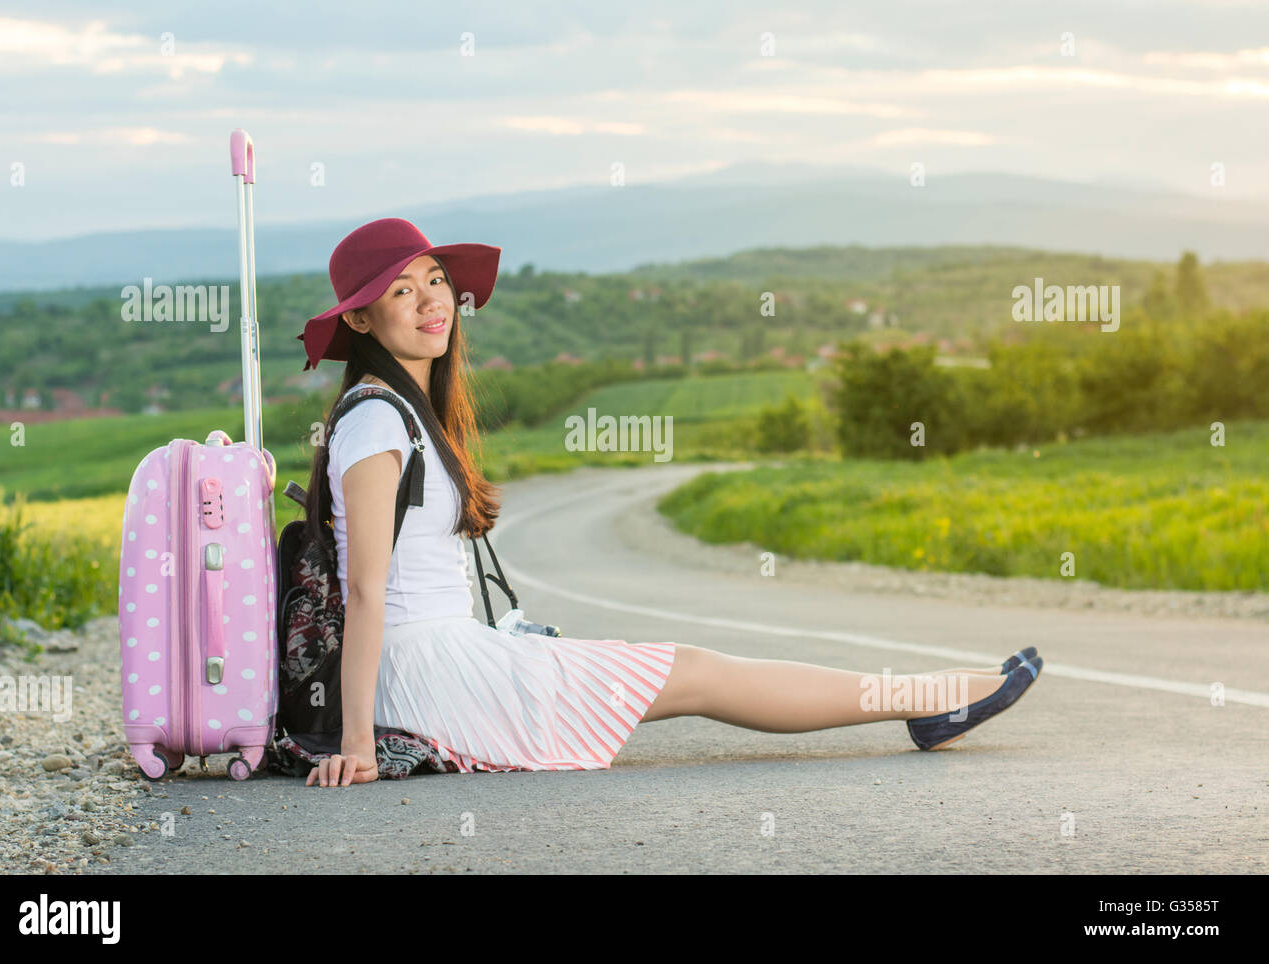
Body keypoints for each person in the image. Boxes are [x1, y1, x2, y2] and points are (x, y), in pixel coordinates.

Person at [296, 219, 1043, 788]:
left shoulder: (401, 410)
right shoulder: (374, 420)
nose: (430, 300)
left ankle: (929, 696)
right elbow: (365, 589)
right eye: (400, 291)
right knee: (696, 673)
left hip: (448, 659)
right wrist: (359, 744)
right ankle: (932, 695)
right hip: (432, 673)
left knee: (695, 671)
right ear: (359, 321)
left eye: (432, 279)